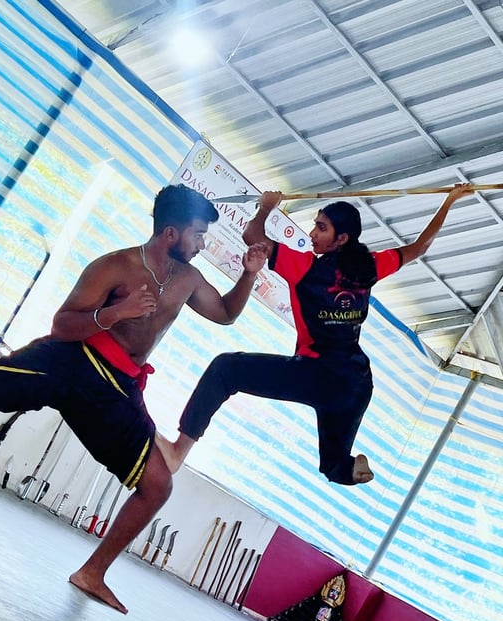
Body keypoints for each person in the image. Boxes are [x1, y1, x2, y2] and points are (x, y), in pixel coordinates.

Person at [0, 184, 270, 614]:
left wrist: (250, 274)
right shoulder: (113, 267)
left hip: (116, 386)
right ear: (171, 233)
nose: (201, 245)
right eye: (198, 235)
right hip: (68, 359)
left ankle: (92, 573)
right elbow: (62, 325)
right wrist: (115, 312)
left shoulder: (187, 278)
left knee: (157, 485)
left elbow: (225, 314)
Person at [156, 183, 474, 485]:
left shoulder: (306, 267)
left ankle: (178, 450)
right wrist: (449, 202)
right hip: (357, 383)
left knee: (226, 369)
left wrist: (266, 207)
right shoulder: (371, 266)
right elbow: (419, 248)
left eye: (321, 228)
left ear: (342, 238)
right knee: (334, 466)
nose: (312, 234)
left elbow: (252, 235)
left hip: (316, 373)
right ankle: (352, 468)